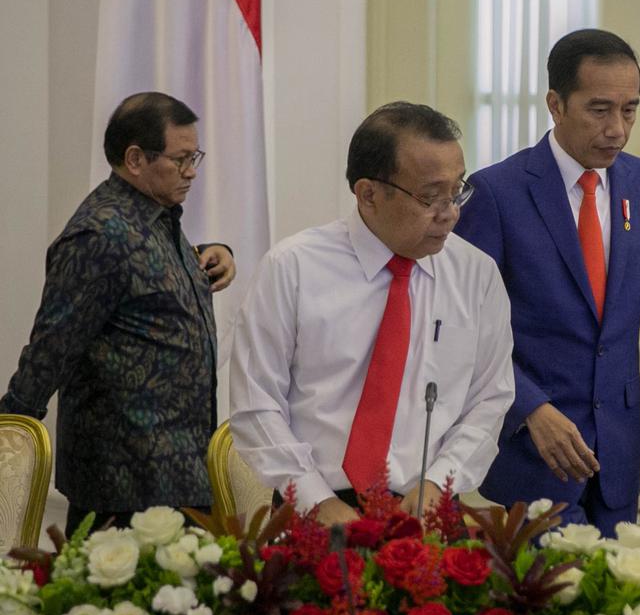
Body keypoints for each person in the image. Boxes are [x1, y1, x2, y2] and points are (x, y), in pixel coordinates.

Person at [454, 28, 640, 535]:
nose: (618, 130)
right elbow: (464, 327)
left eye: (629, 110)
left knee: (611, 608)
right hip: (531, 455)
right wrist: (530, 407)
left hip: (617, 455)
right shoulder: (496, 193)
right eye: (600, 109)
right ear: (556, 104)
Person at [229, 102, 514, 526]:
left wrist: (439, 482)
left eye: (457, 192)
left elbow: (489, 399)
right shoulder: (292, 268)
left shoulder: (476, 274)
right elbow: (257, 405)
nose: (450, 212)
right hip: (311, 510)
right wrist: (316, 501)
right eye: (431, 197)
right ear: (368, 193)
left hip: (427, 509)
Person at [0, 92, 236, 531]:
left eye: (195, 156)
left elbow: (145, 285)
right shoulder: (99, 235)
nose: (192, 171)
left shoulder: (154, 217)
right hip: (126, 488)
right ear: (135, 159)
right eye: (181, 159)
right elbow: (52, 348)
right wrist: (10, 433)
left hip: (180, 474)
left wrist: (213, 252)